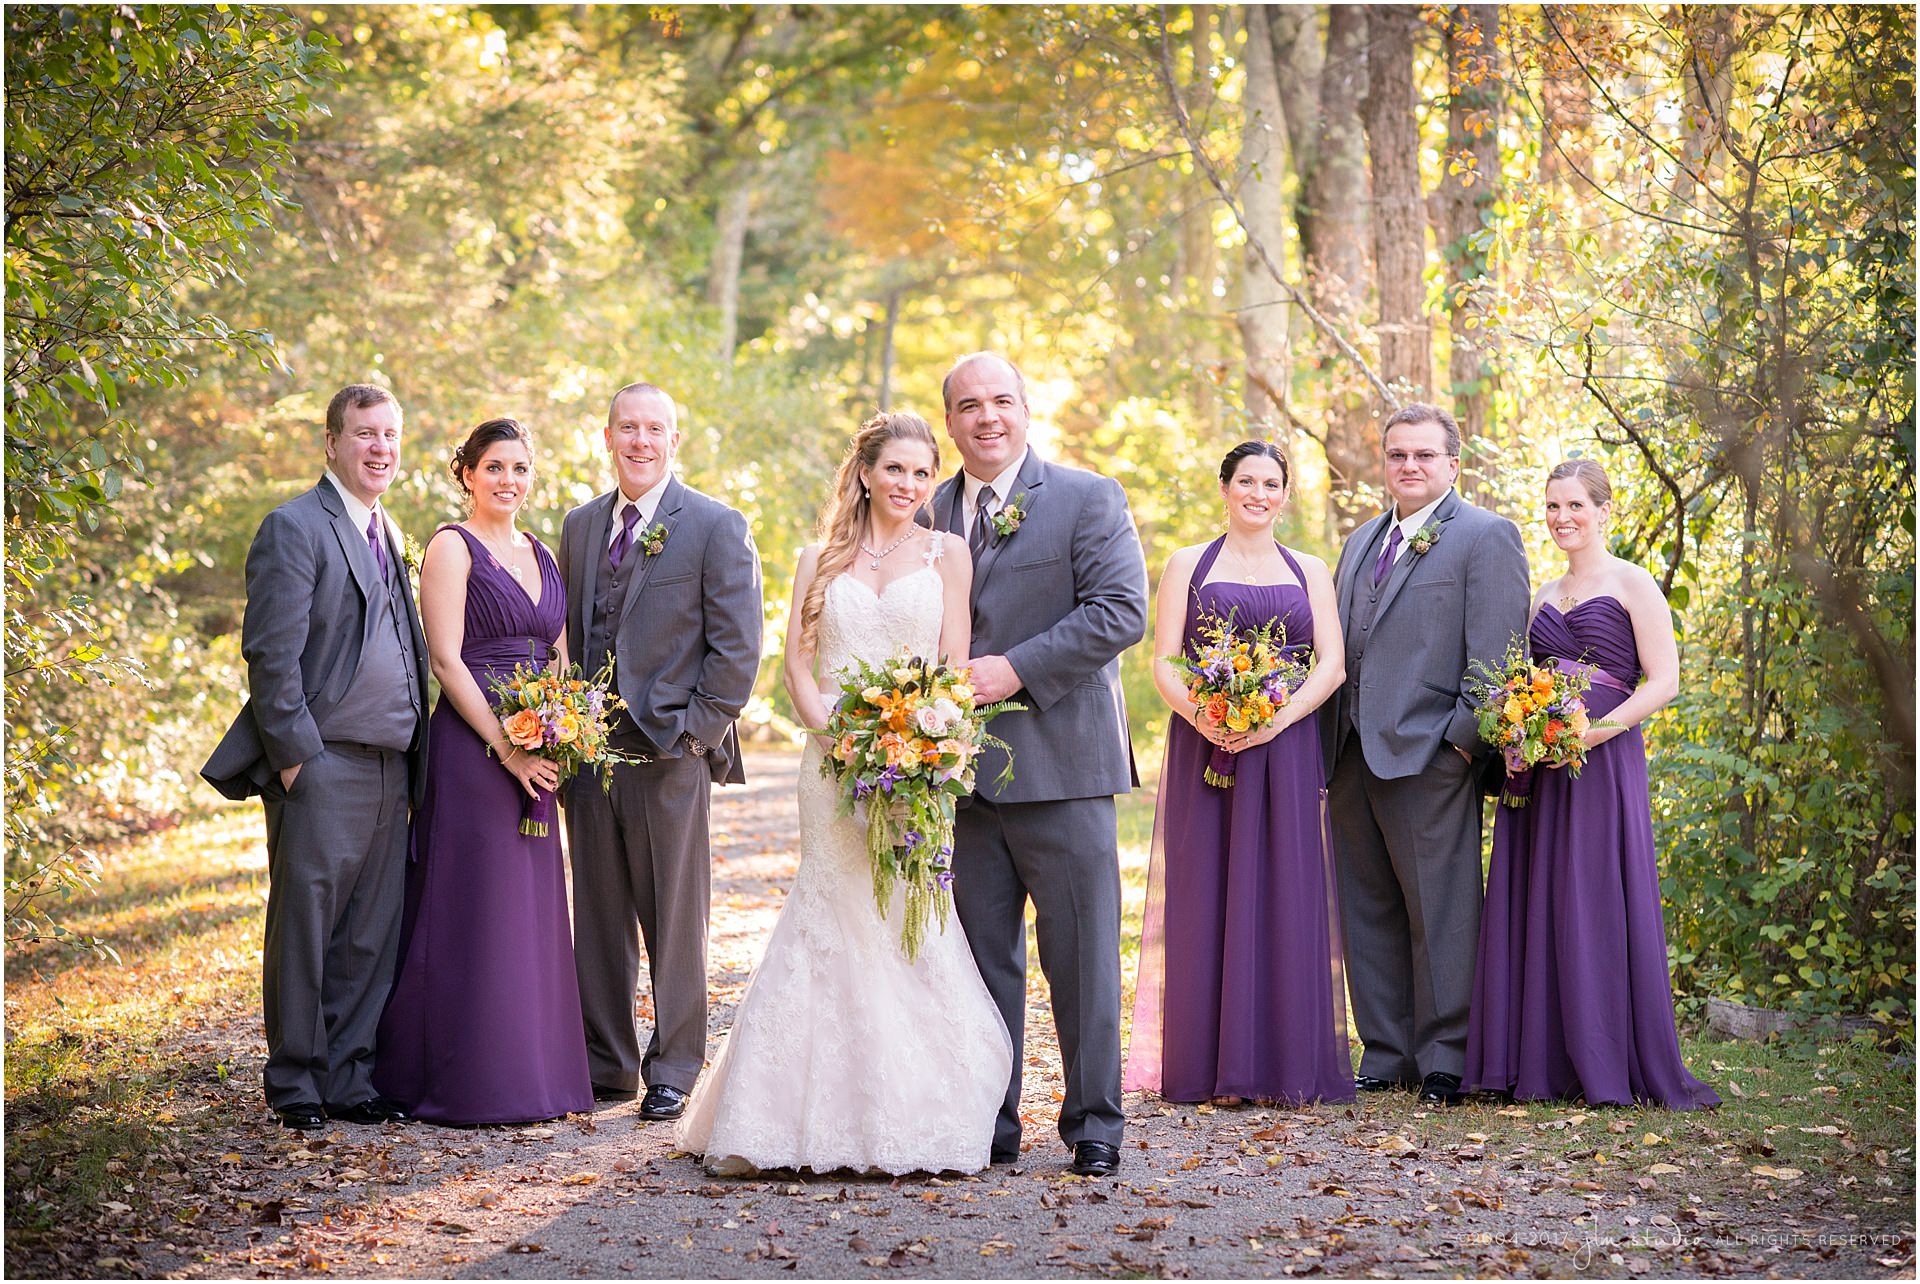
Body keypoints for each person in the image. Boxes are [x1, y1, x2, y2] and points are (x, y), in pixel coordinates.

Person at [676, 412, 1013, 1175]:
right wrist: (839, 739)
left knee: (904, 915)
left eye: (922, 473)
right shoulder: (817, 558)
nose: (908, 484)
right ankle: (792, 1118)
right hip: (830, 766)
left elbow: (952, 664)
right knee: (830, 912)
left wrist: (918, 750)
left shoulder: (948, 555)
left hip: (914, 767)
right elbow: (796, 665)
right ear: (865, 473)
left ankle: (912, 1113)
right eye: (895, 469)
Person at [931, 352, 1149, 1176]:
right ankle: (989, 1122)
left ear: (1026, 410)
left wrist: (1015, 668)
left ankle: (1095, 1124)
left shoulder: (1088, 498)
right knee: (979, 961)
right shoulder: (924, 510)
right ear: (950, 421)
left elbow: (1120, 611)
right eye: (969, 405)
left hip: (1065, 767)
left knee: (1083, 957)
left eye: (1001, 401)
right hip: (959, 779)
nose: (987, 417)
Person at [201, 383, 427, 1130]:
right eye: (365, 433)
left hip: (392, 765)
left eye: (390, 434)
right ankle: (296, 1083)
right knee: (306, 928)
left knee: (369, 934)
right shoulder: (294, 526)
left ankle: (349, 1079)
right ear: (331, 443)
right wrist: (298, 760)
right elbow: (271, 656)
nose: (380, 447)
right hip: (323, 763)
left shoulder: (389, 532)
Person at [1464, 461, 1719, 1109]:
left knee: (1594, 893)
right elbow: (1526, 680)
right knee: (1544, 893)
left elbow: (1664, 680)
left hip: (1602, 760)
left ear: (1604, 511)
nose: (1562, 518)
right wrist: (1519, 734)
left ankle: (1604, 1056)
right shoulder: (1541, 595)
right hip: (1542, 765)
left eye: (1575, 505)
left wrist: (1596, 734)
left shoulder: (1633, 582)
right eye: (1553, 506)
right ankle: (1541, 1058)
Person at [371, 419, 594, 1125]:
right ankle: (461, 1076)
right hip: (475, 751)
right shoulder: (451, 546)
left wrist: (564, 732)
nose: (508, 480)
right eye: (494, 466)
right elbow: (445, 660)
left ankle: (533, 1075)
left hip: (541, 748)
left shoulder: (542, 552)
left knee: (527, 910)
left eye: (519, 468)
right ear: (467, 474)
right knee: (475, 906)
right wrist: (507, 746)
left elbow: (559, 657)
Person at [1125, 442, 1354, 1107]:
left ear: (1285, 494)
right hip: (1208, 745)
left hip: (1286, 745)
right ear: (1225, 488)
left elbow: (1332, 665)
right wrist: (1204, 716)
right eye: (1246, 481)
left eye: (1271, 483)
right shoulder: (1187, 564)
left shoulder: (1310, 570)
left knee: (1285, 887)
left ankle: (1282, 1063)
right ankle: (1208, 1064)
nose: (1258, 493)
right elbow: (1164, 660)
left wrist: (1278, 721)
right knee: (1206, 888)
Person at [558, 382, 763, 1122]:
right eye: (627, 428)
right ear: (607, 437)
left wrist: (695, 735)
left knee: (675, 919)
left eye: (654, 429)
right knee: (598, 916)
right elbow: (569, 633)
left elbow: (739, 647)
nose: (639, 441)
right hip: (589, 755)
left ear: (674, 441)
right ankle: (606, 1063)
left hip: (670, 752)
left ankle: (673, 1067)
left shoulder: (714, 524)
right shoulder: (580, 526)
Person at [1322, 403, 1529, 1106]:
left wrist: (1461, 748)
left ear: (1453, 465)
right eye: (1397, 454)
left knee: (1441, 912)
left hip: (1432, 755)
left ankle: (1447, 1056)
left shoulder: (1486, 536)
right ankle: (1387, 1051)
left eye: (1423, 455)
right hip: (1351, 753)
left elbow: (1499, 657)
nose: (1408, 465)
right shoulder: (1360, 542)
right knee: (1368, 907)